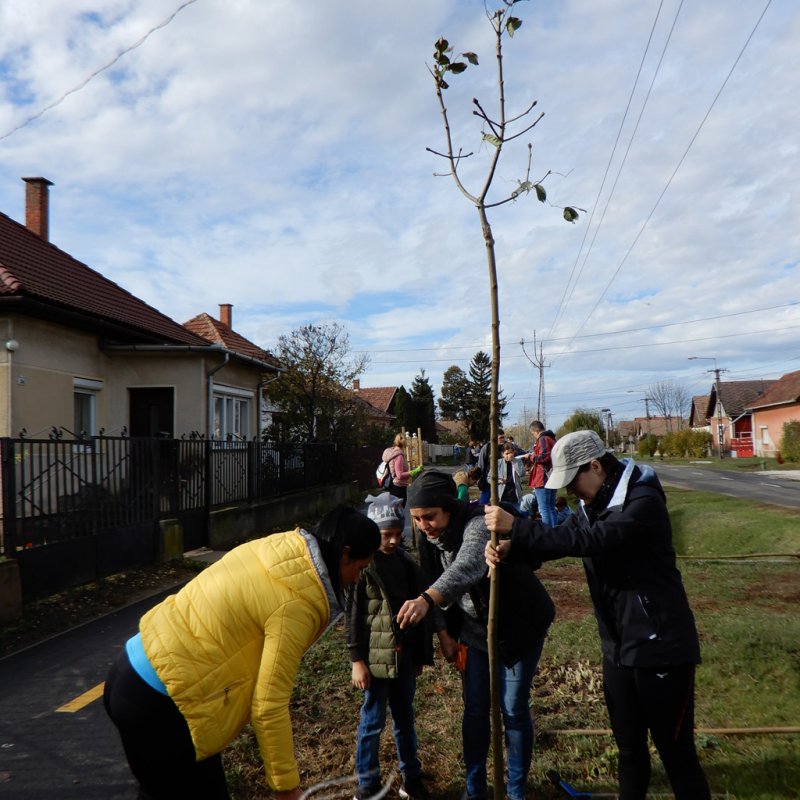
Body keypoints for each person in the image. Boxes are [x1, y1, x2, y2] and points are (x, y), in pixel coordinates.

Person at [484, 431, 711, 800]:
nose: (570, 491)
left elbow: (592, 541)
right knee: (630, 752)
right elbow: (561, 537)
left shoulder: (642, 501)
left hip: (662, 647)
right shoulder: (593, 505)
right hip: (617, 646)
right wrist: (515, 549)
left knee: (677, 756)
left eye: (573, 481)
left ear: (596, 467)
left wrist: (518, 526)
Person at [103, 508, 381, 800]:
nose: (356, 580)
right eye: (360, 568)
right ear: (345, 554)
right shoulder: (300, 600)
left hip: (131, 670)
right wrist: (287, 788)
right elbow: (269, 705)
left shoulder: (278, 547)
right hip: (163, 704)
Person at [396, 470, 554, 800]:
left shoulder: (479, 523)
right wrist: (444, 634)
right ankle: (475, 789)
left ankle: (516, 791)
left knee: (513, 708)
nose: (424, 525)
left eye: (429, 517)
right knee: (476, 708)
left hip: (518, 626)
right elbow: (430, 579)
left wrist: (426, 600)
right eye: (417, 519)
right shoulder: (427, 538)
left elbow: (467, 566)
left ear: (448, 508)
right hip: (473, 632)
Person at [346, 493, 432, 800]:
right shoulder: (364, 569)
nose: (394, 540)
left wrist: (420, 656)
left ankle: (412, 778)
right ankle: (367, 784)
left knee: (405, 719)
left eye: (398, 533)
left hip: (404, 656)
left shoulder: (407, 565)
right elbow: (353, 618)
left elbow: (420, 614)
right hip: (375, 662)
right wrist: (357, 660)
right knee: (372, 722)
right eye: (386, 535)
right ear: (373, 534)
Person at [526, 421, 557, 526]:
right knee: (551, 508)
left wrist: (531, 457)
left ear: (536, 431)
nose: (534, 436)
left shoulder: (543, 439)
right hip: (551, 477)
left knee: (544, 509)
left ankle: (548, 532)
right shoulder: (552, 439)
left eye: (533, 434)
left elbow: (545, 457)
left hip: (543, 479)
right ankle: (554, 531)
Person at [382, 433, 418, 506]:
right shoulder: (399, 456)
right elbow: (399, 475)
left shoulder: (392, 452)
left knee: (394, 511)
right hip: (398, 488)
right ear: (404, 443)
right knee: (398, 511)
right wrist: (414, 472)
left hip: (393, 486)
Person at [476, 429, 505, 505]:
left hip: (501, 480)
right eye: (500, 438)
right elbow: (480, 464)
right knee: (484, 502)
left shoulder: (504, 447)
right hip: (488, 479)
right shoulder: (486, 448)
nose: (502, 440)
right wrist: (481, 478)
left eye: (503, 437)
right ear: (494, 438)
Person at [497, 442, 523, 510]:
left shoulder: (517, 461)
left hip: (514, 494)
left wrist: (514, 461)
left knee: (516, 512)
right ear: (502, 454)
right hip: (502, 494)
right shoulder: (498, 463)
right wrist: (499, 481)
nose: (509, 455)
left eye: (511, 452)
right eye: (507, 453)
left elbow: (521, 473)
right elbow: (489, 478)